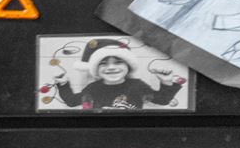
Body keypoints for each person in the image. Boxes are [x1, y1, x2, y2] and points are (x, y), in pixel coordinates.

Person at [55, 42, 187, 110]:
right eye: (103, 63)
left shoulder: (137, 86)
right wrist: (63, 84)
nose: (111, 67)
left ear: (128, 67)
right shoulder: (93, 88)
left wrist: (166, 82)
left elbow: (162, 100)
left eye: (118, 62)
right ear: (96, 69)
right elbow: (72, 102)